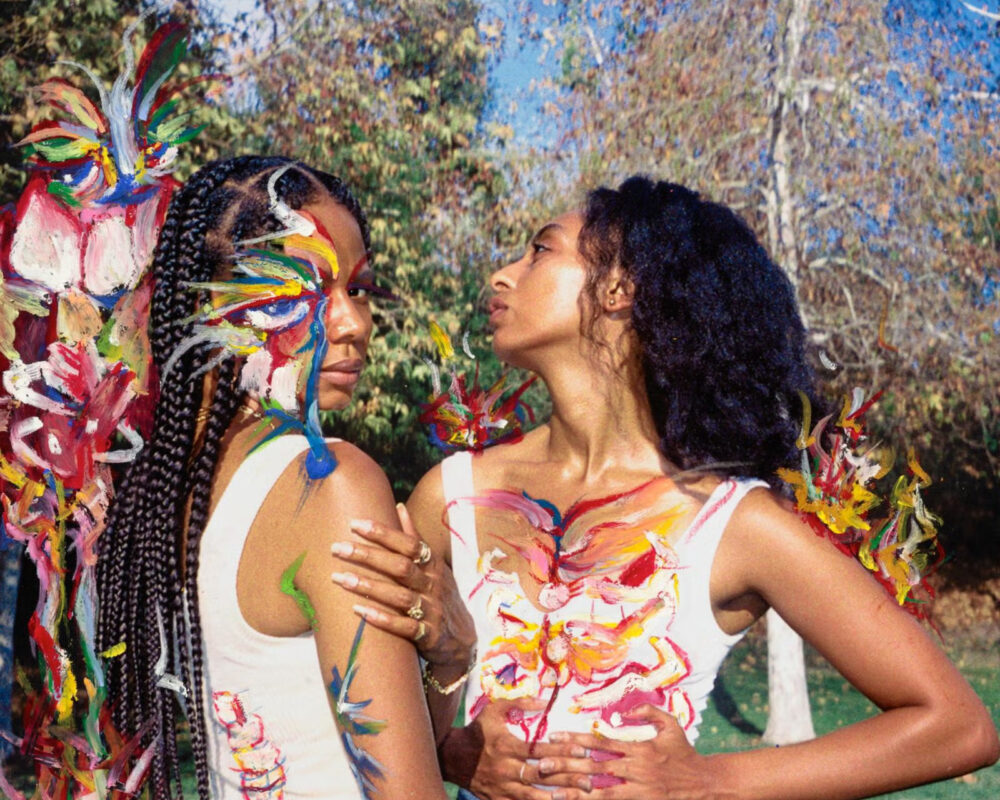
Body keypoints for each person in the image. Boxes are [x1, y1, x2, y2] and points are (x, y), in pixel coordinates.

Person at [330, 177, 1000, 799]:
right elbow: (371, 705)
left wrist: (710, 781)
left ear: (621, 286)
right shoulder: (448, 497)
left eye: (540, 251)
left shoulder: (733, 524)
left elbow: (958, 725)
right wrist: (451, 752)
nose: (502, 274)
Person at [96, 155, 455, 800]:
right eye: (308, 286)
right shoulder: (331, 483)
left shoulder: (163, 488)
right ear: (218, 300)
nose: (354, 323)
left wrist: (451, 654)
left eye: (359, 288)